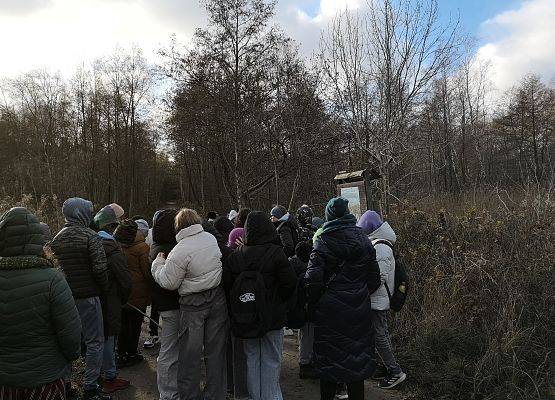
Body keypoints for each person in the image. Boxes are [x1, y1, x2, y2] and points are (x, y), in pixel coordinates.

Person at [0, 207, 82, 400]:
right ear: (37, 238)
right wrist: (71, 358)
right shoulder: (53, 279)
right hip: (45, 380)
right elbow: (71, 335)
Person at [305, 197, 381, 400]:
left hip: (330, 311)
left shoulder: (323, 241)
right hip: (359, 310)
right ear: (348, 213)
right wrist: (359, 293)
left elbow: (312, 280)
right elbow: (374, 278)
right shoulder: (364, 239)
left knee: (329, 362)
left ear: (329, 215)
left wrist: (319, 300)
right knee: (356, 361)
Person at [152, 208, 228, 400]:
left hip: (193, 304)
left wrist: (157, 265)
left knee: (190, 356)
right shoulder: (210, 239)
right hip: (217, 298)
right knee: (215, 352)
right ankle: (215, 394)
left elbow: (169, 282)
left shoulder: (180, 250)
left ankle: (189, 396)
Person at [224, 211, 297, 400]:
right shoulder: (276, 253)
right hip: (272, 317)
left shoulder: (236, 256)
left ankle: (256, 396)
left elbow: (227, 285)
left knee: (252, 359)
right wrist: (279, 303)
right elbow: (289, 283)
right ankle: (272, 396)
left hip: (246, 316)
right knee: (271, 360)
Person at [50, 197, 110, 400]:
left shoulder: (56, 238)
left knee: (68, 342)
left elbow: (54, 270)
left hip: (64, 299)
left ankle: (66, 385)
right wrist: (104, 289)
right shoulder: (90, 236)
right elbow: (100, 268)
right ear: (82, 213)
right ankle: (91, 386)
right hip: (89, 297)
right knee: (95, 341)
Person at [357, 210, 407, 389]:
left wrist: (361, 293)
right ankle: (383, 367)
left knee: (380, 336)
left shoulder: (381, 247)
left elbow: (378, 278)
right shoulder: (379, 244)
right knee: (379, 335)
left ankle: (395, 372)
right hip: (376, 299)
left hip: (377, 301)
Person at [94, 207, 133, 394]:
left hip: (92, 299)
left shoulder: (90, 244)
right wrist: (123, 298)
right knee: (109, 338)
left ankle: (97, 375)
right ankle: (109, 377)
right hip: (110, 300)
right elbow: (125, 281)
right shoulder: (112, 249)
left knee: (95, 338)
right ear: (112, 227)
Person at [149, 209, 180, 400]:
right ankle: (169, 394)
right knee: (169, 351)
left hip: (166, 304)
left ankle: (171, 390)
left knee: (172, 350)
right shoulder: (167, 250)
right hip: (172, 305)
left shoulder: (157, 245)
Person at [114, 219, 151, 367]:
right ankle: (132, 353)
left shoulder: (117, 245)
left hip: (122, 290)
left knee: (123, 324)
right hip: (139, 291)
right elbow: (147, 272)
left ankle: (120, 354)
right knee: (135, 324)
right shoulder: (143, 247)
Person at [287, 241, 318, 380]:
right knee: (309, 335)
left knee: (303, 335)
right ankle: (306, 363)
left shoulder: (292, 265)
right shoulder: (310, 269)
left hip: (298, 308)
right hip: (309, 308)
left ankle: (304, 360)